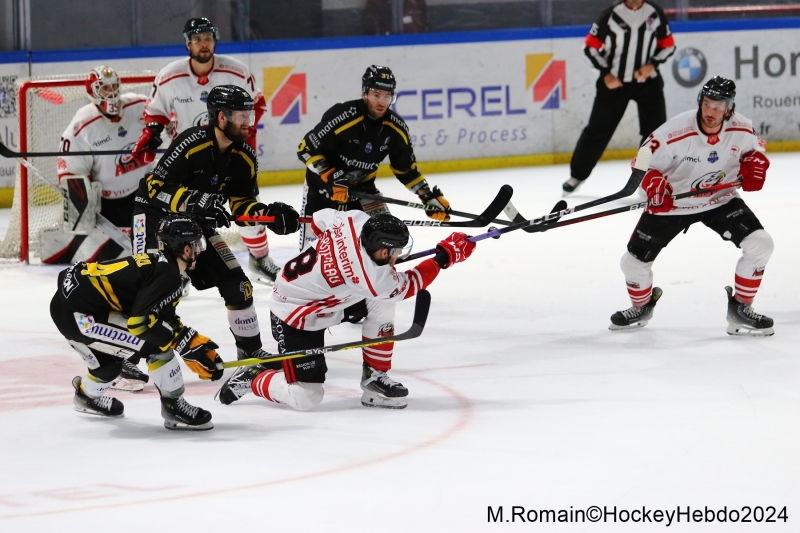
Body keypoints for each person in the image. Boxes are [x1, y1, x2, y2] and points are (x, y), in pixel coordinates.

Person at [216, 209, 475, 410]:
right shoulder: (373, 278)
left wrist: (333, 259)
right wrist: (445, 257)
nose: (398, 256)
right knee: (306, 397)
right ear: (383, 251)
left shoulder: (354, 219)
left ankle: (375, 379)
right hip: (294, 313)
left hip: (324, 295)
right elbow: (409, 286)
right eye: (395, 252)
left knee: (381, 300)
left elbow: (318, 221)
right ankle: (254, 377)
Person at [133, 84, 301, 365]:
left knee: (238, 285)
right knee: (151, 288)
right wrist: (193, 201)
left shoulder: (245, 156)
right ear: (221, 117)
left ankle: (250, 353)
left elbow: (242, 204)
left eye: (250, 115)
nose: (249, 122)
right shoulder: (191, 143)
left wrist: (268, 215)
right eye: (241, 116)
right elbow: (154, 188)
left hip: (195, 224)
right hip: (152, 217)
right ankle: (126, 357)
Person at [609, 76, 774, 336]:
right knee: (632, 263)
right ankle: (641, 307)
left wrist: (756, 164)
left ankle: (741, 308)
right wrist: (653, 183)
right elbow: (641, 163)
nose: (710, 112)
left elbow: (757, 151)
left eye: (718, 107)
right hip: (673, 203)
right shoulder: (674, 132)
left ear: (729, 108)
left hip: (720, 200)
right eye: (707, 104)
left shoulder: (742, 127)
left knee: (761, 244)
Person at [131, 17, 279, 284]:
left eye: (208, 38)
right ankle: (181, 264)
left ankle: (259, 258)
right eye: (197, 39)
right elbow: (156, 111)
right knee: (180, 211)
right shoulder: (169, 75)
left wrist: (242, 141)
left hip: (225, 153)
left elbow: (257, 104)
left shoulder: (236, 71)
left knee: (246, 202)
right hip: (187, 159)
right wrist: (151, 133)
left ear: (215, 40)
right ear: (188, 43)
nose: (203, 43)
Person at [50, 215, 223, 430]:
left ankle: (87, 397)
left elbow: (161, 315)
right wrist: (181, 344)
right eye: (198, 245)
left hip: (68, 306)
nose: (200, 251)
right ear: (186, 250)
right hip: (82, 317)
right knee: (155, 344)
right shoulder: (168, 276)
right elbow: (141, 324)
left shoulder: (162, 266)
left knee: (108, 366)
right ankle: (174, 406)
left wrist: (191, 340)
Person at [296, 65, 452, 252]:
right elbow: (305, 149)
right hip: (322, 191)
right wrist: (331, 174)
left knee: (388, 240)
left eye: (387, 96)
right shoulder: (342, 117)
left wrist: (427, 195)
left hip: (364, 192)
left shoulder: (396, 128)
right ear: (364, 93)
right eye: (376, 95)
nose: (381, 102)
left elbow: (406, 169)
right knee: (313, 255)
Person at [563, 0, 675, 194]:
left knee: (654, 134)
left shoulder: (654, 13)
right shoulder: (611, 15)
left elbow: (668, 46)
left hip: (647, 83)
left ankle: (647, 178)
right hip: (615, 83)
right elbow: (589, 48)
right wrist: (606, 73)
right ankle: (577, 175)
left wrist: (653, 65)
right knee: (598, 130)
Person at [43, 66, 152, 265]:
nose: (111, 93)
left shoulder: (140, 105)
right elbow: (71, 173)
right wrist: (86, 213)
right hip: (110, 205)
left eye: (114, 86)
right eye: (104, 88)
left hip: (144, 193)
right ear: (92, 92)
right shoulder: (81, 126)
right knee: (108, 258)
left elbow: (168, 123)